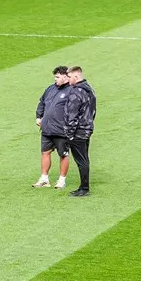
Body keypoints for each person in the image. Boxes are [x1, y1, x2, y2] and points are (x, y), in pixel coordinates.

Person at [33, 66, 72, 189]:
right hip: (47, 128)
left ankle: (62, 180)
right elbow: (42, 102)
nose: (55, 79)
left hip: (61, 130)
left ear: (66, 77)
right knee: (45, 152)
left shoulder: (71, 91)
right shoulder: (50, 88)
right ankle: (44, 179)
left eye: (57, 77)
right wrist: (39, 116)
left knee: (63, 155)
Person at [63, 65, 97, 197]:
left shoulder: (76, 92)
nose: (68, 80)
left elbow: (72, 115)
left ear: (76, 76)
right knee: (84, 159)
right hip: (87, 129)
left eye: (70, 77)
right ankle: (84, 187)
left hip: (78, 132)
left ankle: (84, 188)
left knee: (81, 160)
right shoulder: (90, 90)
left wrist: (69, 134)